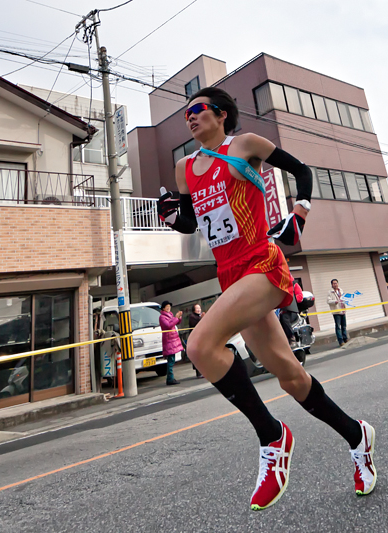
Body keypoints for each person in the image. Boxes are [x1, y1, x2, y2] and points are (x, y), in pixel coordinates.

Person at [157, 87, 376, 511]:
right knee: (291, 377)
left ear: (221, 114)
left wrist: (300, 213)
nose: (190, 117)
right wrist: (170, 214)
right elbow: (190, 221)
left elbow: (301, 170)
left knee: (200, 345)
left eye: (197, 109)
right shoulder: (186, 167)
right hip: (230, 273)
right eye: (186, 113)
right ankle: (357, 436)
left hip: (262, 262)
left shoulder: (246, 145)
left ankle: (272, 437)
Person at [159, 301, 183, 386]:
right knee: (171, 360)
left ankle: (170, 378)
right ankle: (170, 378)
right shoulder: (162, 317)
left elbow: (175, 322)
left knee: (171, 360)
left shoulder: (170, 315)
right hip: (169, 340)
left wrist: (179, 317)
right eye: (167, 307)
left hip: (172, 339)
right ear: (163, 308)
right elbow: (169, 325)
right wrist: (176, 318)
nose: (168, 308)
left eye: (169, 306)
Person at [327, 279, 349, 347]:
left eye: (336, 283)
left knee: (344, 326)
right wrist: (334, 302)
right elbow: (328, 301)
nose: (335, 284)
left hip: (342, 310)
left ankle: (345, 338)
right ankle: (341, 341)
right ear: (332, 285)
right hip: (336, 311)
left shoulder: (341, 290)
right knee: (338, 327)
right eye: (333, 283)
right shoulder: (330, 292)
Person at [188, 304, 205, 378]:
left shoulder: (199, 316)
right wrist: (202, 318)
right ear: (193, 310)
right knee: (198, 355)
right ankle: (199, 373)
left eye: (199, 308)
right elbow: (196, 324)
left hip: (201, 338)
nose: (199, 309)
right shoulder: (192, 317)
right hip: (195, 339)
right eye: (197, 308)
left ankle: (202, 372)